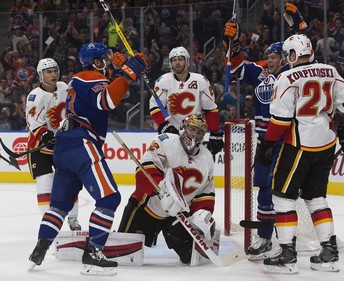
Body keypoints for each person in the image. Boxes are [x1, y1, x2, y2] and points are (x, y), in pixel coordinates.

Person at [28, 43, 146, 275]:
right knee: (110, 198)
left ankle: (40, 248)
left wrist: (121, 74)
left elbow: (110, 92)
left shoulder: (80, 79)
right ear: (96, 61)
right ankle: (93, 253)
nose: (109, 59)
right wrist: (129, 72)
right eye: (105, 58)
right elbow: (107, 101)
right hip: (82, 143)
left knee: (59, 206)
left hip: (64, 147)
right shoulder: (90, 77)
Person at [259, 34, 344, 274]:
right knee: (316, 198)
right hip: (326, 144)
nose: (287, 59)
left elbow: (281, 119)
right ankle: (329, 251)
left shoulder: (286, 77)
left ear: (294, 54)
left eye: (288, 55)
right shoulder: (330, 71)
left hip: (299, 145)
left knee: (283, 198)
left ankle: (287, 254)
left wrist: (267, 143)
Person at [223, 2, 307, 261]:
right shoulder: (261, 74)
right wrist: (233, 43)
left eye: (273, 57)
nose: (268, 60)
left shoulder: (292, 74)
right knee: (262, 187)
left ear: (285, 57)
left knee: (281, 191)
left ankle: (286, 240)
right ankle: (265, 237)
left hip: (286, 139)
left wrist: (299, 24)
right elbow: (236, 67)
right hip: (264, 139)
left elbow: (307, 56)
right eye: (267, 57)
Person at [117, 113, 216, 265]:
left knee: (192, 258)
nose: (195, 135)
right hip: (147, 207)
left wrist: (202, 213)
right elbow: (146, 169)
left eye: (199, 132)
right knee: (124, 255)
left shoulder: (207, 157)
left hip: (177, 215)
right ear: (183, 128)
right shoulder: (165, 141)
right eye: (192, 130)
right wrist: (160, 188)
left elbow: (205, 192)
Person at [25, 58, 81, 231]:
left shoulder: (64, 88)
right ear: (41, 75)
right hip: (39, 147)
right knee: (45, 183)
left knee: (70, 182)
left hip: (62, 146)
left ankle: (73, 218)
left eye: (55, 71)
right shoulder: (35, 96)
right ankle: (48, 224)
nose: (53, 74)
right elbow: (33, 121)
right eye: (49, 72)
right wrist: (45, 135)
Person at [149, 46, 224, 156]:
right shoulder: (163, 81)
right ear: (170, 63)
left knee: (194, 166)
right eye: (174, 60)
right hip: (170, 132)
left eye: (180, 59)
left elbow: (210, 109)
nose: (177, 62)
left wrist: (215, 133)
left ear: (187, 61)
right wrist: (164, 126)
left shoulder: (200, 81)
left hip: (194, 133)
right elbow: (155, 107)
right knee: (169, 167)